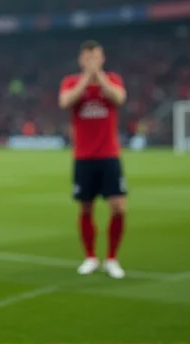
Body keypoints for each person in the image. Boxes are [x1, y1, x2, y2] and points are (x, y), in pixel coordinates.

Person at [59, 40, 127, 279]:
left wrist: (99, 77)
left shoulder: (113, 80)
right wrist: (86, 80)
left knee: (118, 207)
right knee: (85, 207)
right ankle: (90, 256)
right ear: (80, 60)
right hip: (84, 157)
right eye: (88, 58)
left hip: (109, 155)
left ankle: (111, 258)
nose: (92, 62)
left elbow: (119, 99)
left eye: (96, 58)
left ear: (103, 59)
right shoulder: (71, 82)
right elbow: (65, 102)